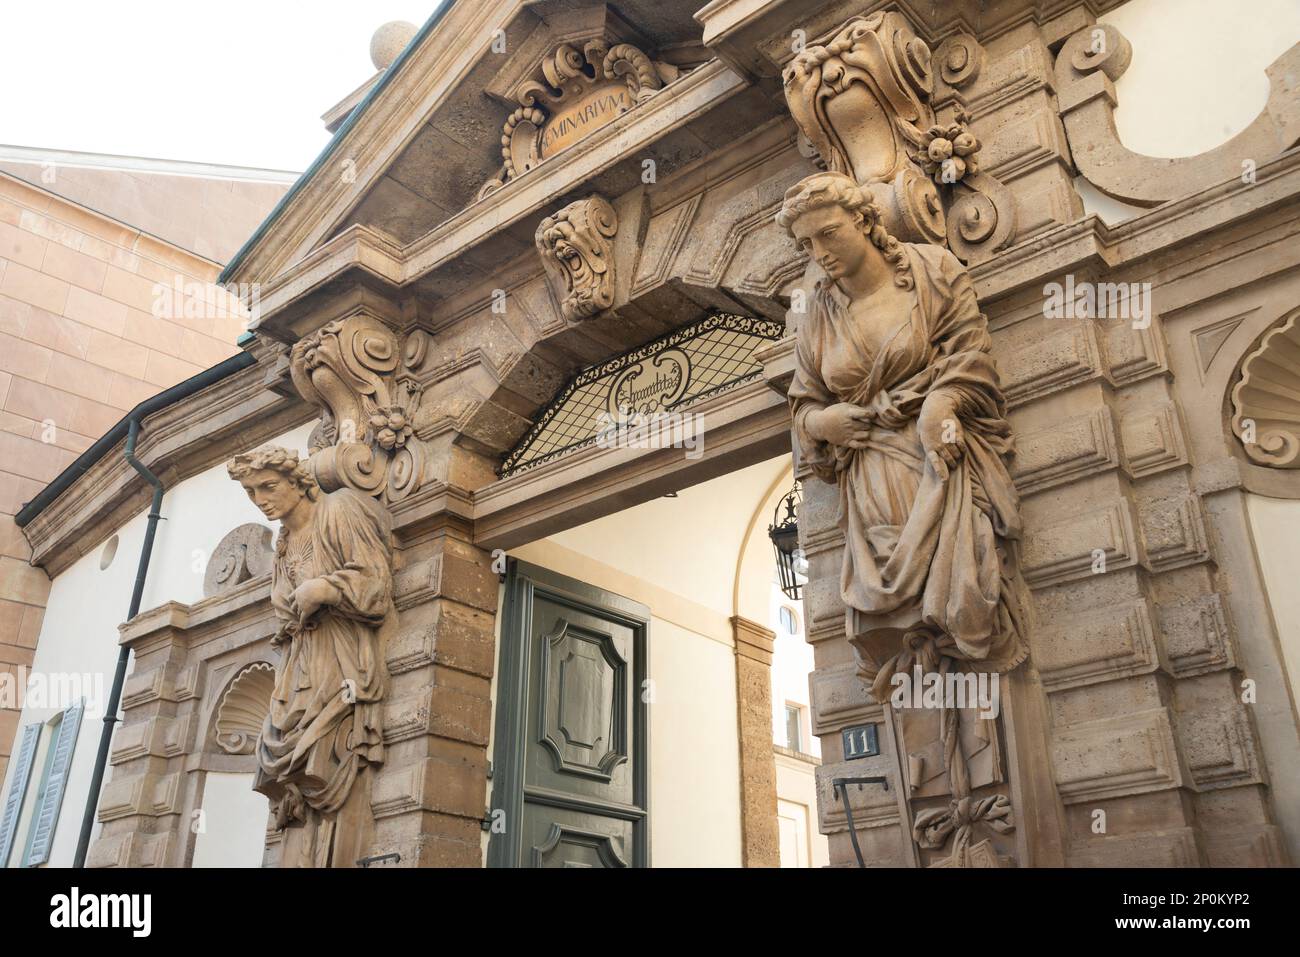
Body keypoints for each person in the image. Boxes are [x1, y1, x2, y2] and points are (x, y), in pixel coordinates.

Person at [777, 172, 1028, 701]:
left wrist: (941, 401)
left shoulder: (931, 271)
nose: (819, 252)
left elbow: (971, 353)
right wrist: (826, 422)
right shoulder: (816, 313)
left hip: (935, 462)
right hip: (868, 479)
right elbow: (803, 404)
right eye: (806, 244)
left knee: (960, 592)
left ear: (864, 220)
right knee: (895, 619)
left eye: (829, 233)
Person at [227, 446, 392, 867]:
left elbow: (376, 584)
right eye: (251, 492)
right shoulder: (283, 541)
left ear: (297, 480)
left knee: (327, 750)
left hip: (341, 656)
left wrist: (328, 589)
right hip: (299, 665)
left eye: (268, 486)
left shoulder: (338, 510)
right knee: (283, 757)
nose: (261, 498)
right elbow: (285, 619)